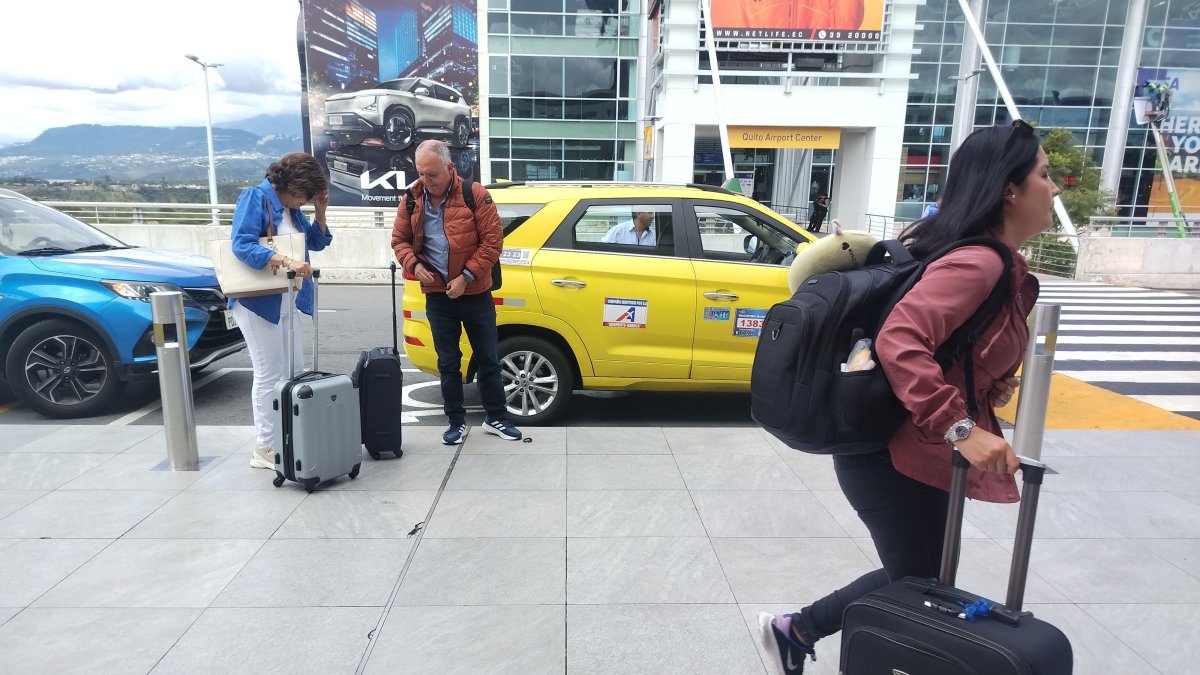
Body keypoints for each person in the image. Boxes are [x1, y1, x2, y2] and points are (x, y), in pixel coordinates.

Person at [759, 120, 1056, 674]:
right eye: (1045, 174)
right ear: (1010, 189)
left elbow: (948, 348)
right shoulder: (979, 261)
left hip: (912, 449)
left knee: (926, 580)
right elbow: (901, 339)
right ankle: (797, 628)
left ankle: (799, 630)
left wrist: (986, 383)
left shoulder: (987, 260)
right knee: (919, 581)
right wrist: (962, 430)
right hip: (892, 455)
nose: (1056, 187)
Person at [391, 140, 522, 444]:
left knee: (488, 358)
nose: (426, 180)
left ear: (450, 168)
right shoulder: (411, 199)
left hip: (475, 292)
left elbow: (493, 243)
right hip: (437, 296)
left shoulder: (474, 194)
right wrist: (414, 264)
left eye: (432, 174)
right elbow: (399, 241)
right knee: (448, 362)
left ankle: (497, 418)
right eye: (421, 173)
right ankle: (455, 422)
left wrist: (465, 276)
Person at [228, 152, 333, 469]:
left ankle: (288, 436)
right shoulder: (256, 198)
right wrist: (286, 262)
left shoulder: (292, 208)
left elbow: (315, 243)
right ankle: (265, 446)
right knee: (269, 373)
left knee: (293, 371)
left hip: (288, 297)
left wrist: (321, 212)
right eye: (304, 194)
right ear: (290, 184)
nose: (304, 200)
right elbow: (241, 244)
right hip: (258, 301)